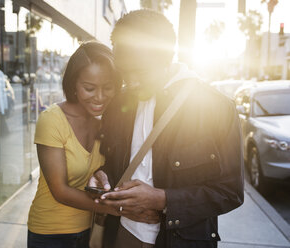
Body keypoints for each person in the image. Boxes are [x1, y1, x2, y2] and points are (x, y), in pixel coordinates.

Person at [89, 9, 244, 248]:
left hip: (180, 241)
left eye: (139, 72)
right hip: (121, 234)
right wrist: (102, 177)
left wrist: (162, 199)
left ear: (166, 59)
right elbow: (116, 161)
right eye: (124, 72)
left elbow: (230, 192)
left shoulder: (216, 107)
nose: (131, 82)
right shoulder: (121, 103)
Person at [27, 41, 122, 248]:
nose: (99, 97)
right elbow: (60, 190)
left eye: (107, 88)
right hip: (50, 234)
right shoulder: (52, 119)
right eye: (89, 88)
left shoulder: (105, 122)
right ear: (73, 85)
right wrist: (117, 209)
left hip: (89, 231)